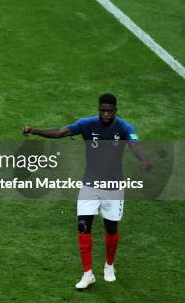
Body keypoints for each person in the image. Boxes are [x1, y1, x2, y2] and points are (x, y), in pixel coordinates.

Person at [22, 94, 151, 290]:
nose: (106, 114)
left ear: (116, 110)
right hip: (89, 186)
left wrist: (143, 159)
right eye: (102, 110)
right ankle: (87, 274)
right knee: (83, 226)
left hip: (113, 188)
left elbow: (134, 144)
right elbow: (59, 132)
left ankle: (109, 266)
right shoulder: (87, 124)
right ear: (98, 109)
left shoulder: (125, 128)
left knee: (111, 228)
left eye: (110, 110)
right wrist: (35, 130)